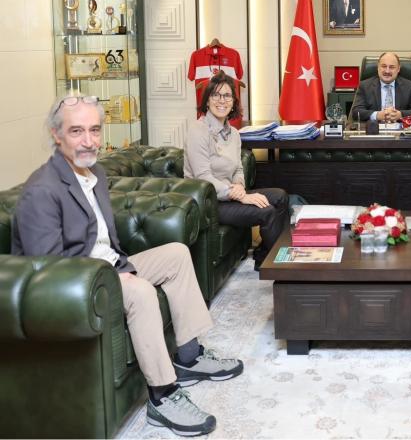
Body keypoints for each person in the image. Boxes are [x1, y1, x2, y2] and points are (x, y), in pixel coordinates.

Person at [13, 94, 244, 437]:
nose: (89, 140)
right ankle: (162, 396)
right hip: (83, 283)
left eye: (94, 130)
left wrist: (119, 268)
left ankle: (189, 356)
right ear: (56, 135)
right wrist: (113, 277)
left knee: (177, 254)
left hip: (110, 267)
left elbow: (102, 239)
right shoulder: (42, 191)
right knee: (140, 291)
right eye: (76, 131)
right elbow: (48, 274)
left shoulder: (94, 173)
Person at [184, 72, 288, 271]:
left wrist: (239, 185)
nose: (221, 100)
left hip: (230, 194)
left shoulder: (233, 133)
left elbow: (238, 168)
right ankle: (277, 266)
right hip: (208, 202)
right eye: (215, 95)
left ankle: (265, 254)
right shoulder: (198, 130)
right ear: (207, 101)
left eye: (227, 95)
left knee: (280, 196)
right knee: (266, 211)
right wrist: (239, 195)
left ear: (233, 102)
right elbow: (203, 178)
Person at [350, 52, 411, 122]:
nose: (387, 71)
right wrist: (377, 115)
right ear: (378, 67)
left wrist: (400, 115)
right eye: (384, 66)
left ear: (398, 69)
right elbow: (356, 112)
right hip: (374, 129)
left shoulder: (410, 86)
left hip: (401, 130)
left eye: (392, 67)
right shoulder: (365, 86)